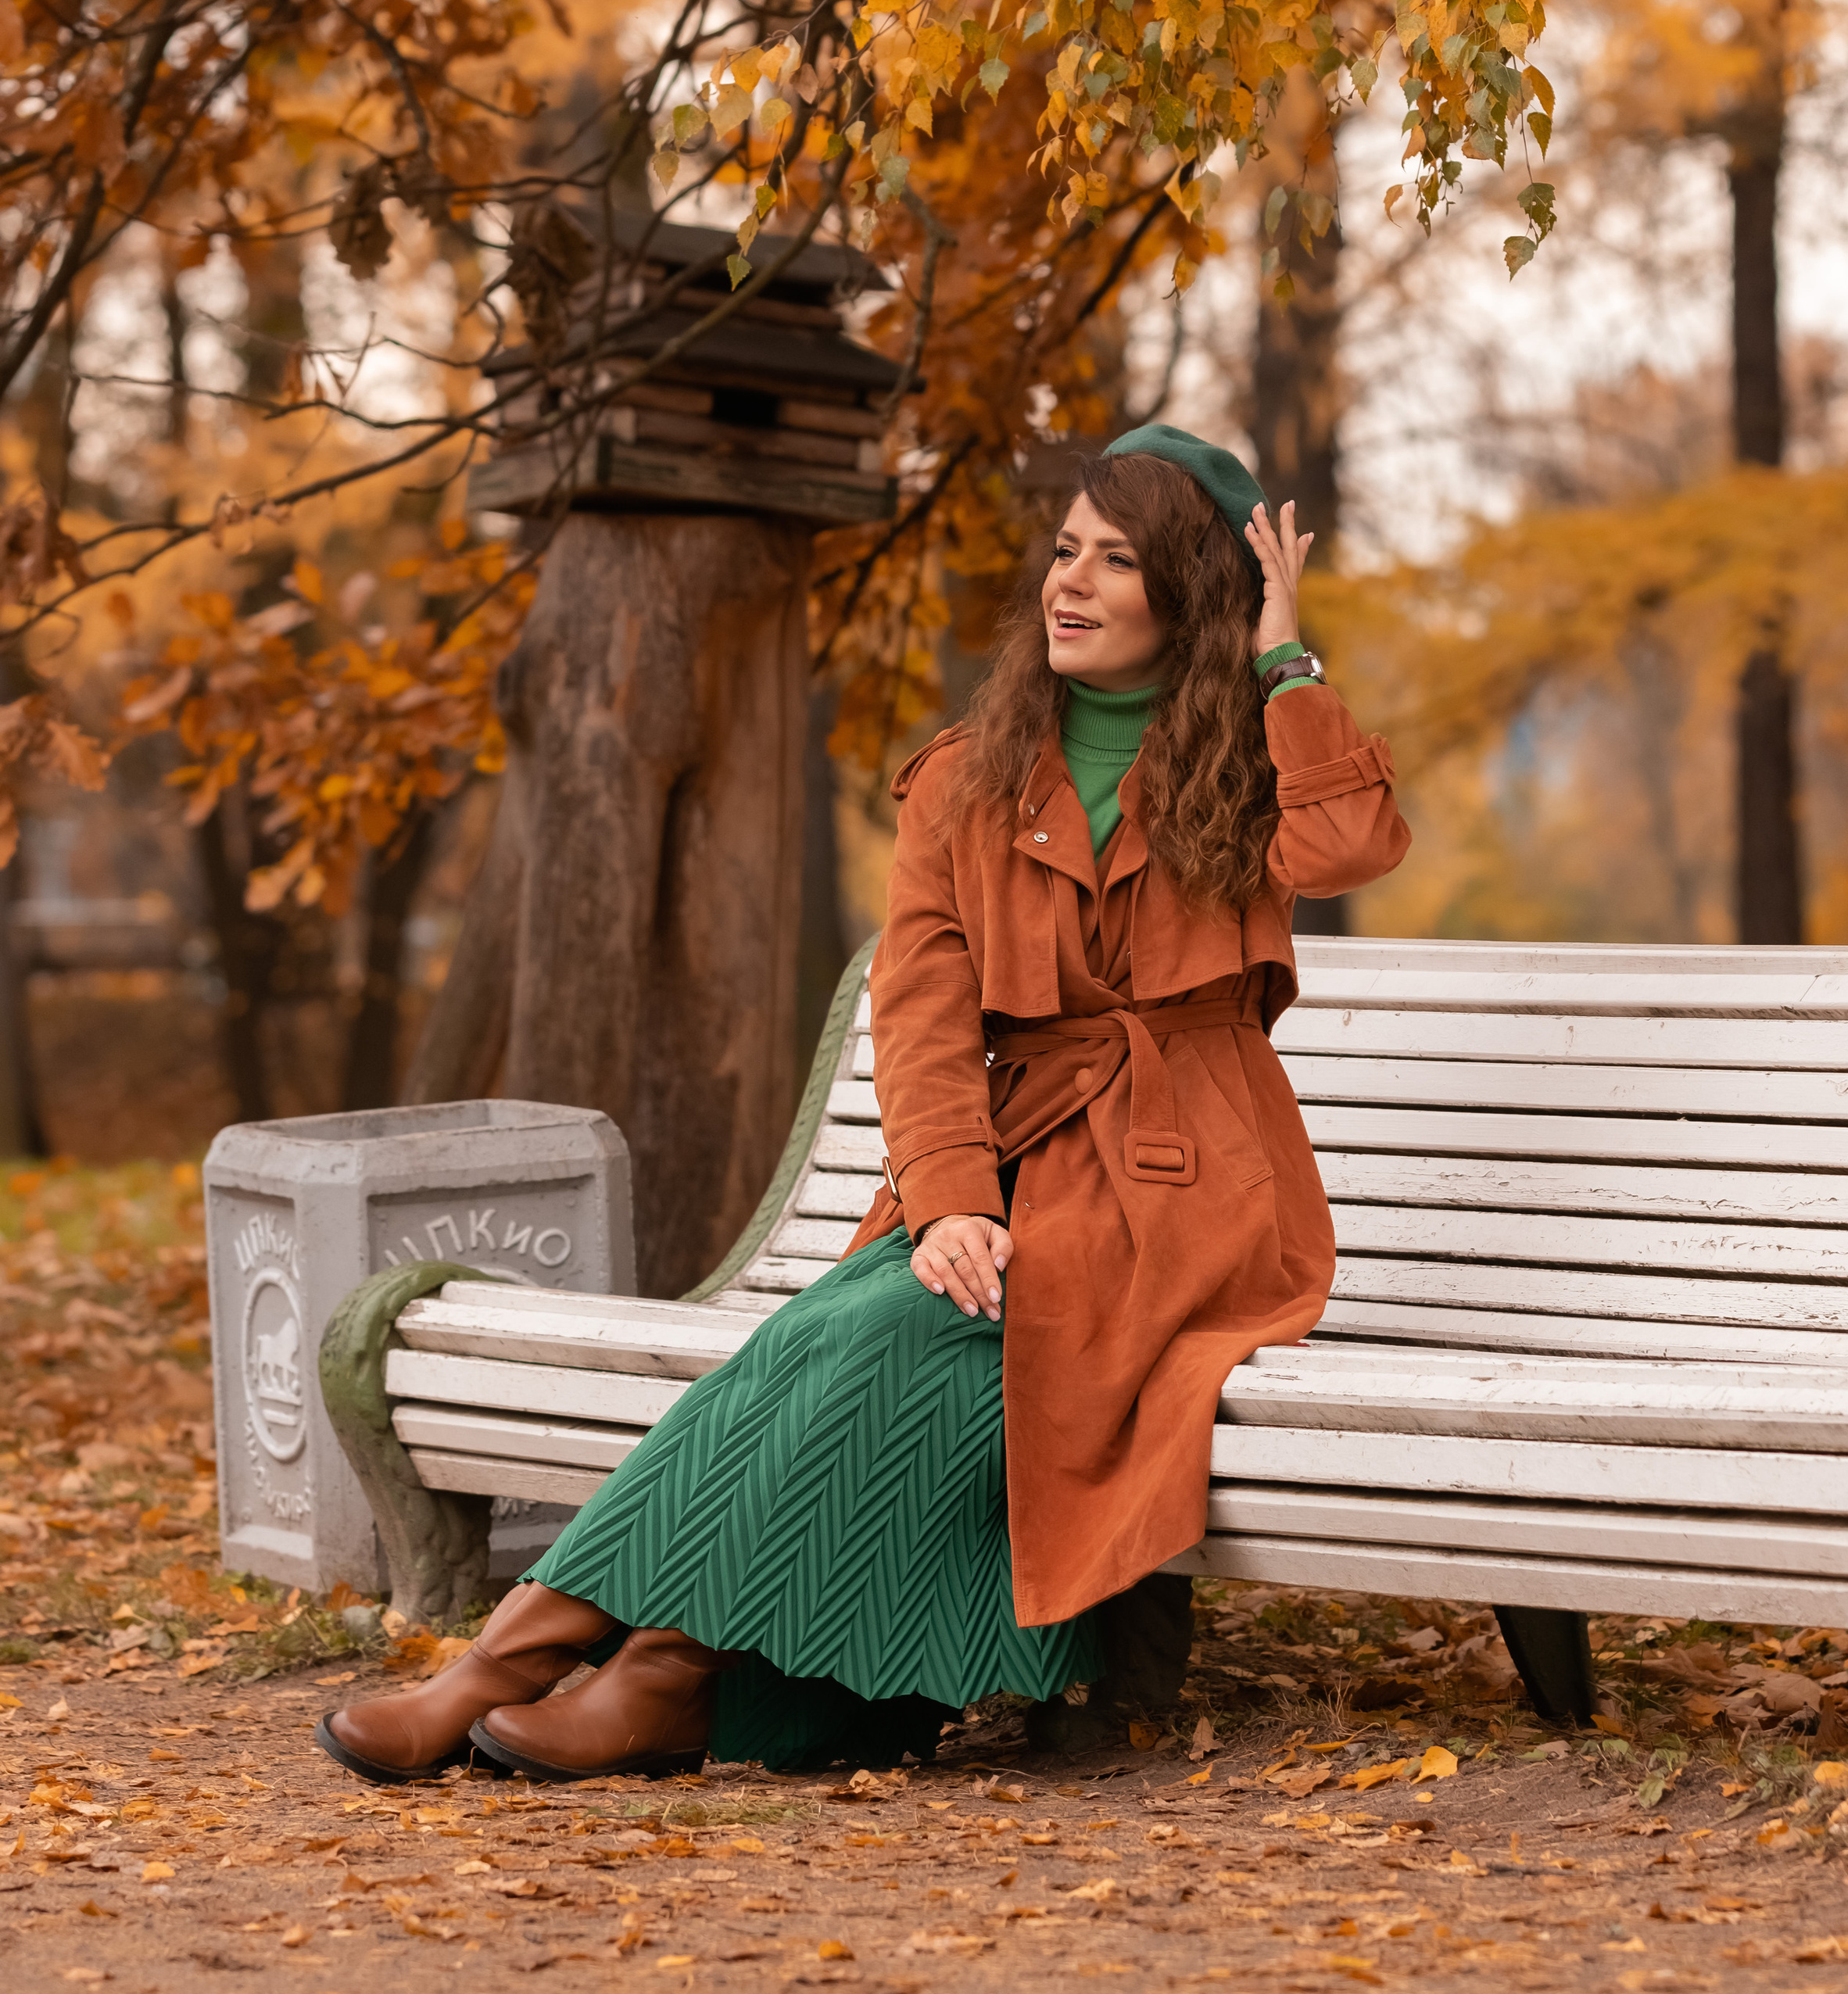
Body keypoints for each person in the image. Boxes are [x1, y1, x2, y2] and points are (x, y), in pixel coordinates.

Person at [314, 424, 1410, 1787]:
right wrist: (950, 1197)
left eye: (1118, 562)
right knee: (825, 1339)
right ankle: (573, 1669)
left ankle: (622, 1671)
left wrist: (1284, 657)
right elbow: (927, 1015)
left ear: (1190, 593)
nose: (1070, 583)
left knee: (879, 1327)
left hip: (1196, 1197)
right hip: (1015, 1170)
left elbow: (1349, 843)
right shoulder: (970, 775)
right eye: (1065, 552)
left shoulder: (1248, 758)